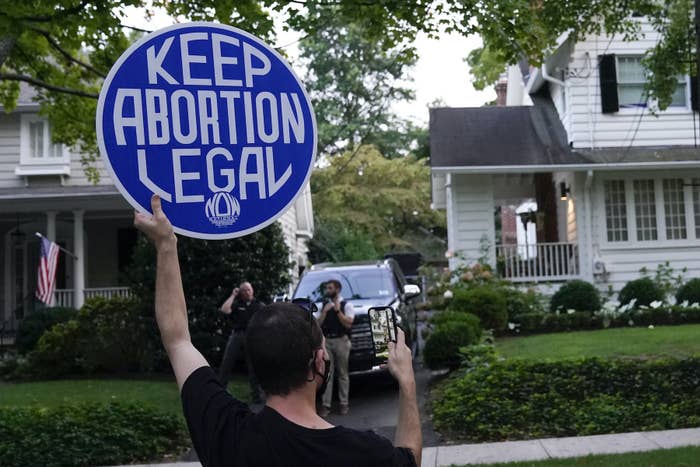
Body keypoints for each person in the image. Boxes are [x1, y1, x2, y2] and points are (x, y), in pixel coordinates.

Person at [134, 195, 421, 467]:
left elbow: (177, 340)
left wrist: (166, 244)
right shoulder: (364, 453)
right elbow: (410, 458)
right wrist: (407, 383)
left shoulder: (226, 433)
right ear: (319, 361)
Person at [218, 281, 264, 403]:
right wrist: (233, 295)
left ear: (252, 290)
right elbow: (224, 310)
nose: (247, 292)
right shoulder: (237, 304)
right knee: (227, 362)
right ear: (240, 292)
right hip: (237, 335)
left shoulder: (259, 305)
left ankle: (257, 397)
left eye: (249, 289)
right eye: (244, 290)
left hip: (252, 336)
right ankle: (220, 391)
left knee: (253, 366)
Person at [317, 279, 355, 416]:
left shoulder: (346, 305)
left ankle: (344, 403)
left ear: (337, 289)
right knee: (328, 373)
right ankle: (326, 405)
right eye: (327, 288)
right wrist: (325, 312)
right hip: (327, 341)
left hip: (341, 340)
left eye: (330, 288)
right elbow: (317, 324)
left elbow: (349, 324)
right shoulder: (324, 305)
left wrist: (338, 311)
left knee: (343, 373)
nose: (328, 290)